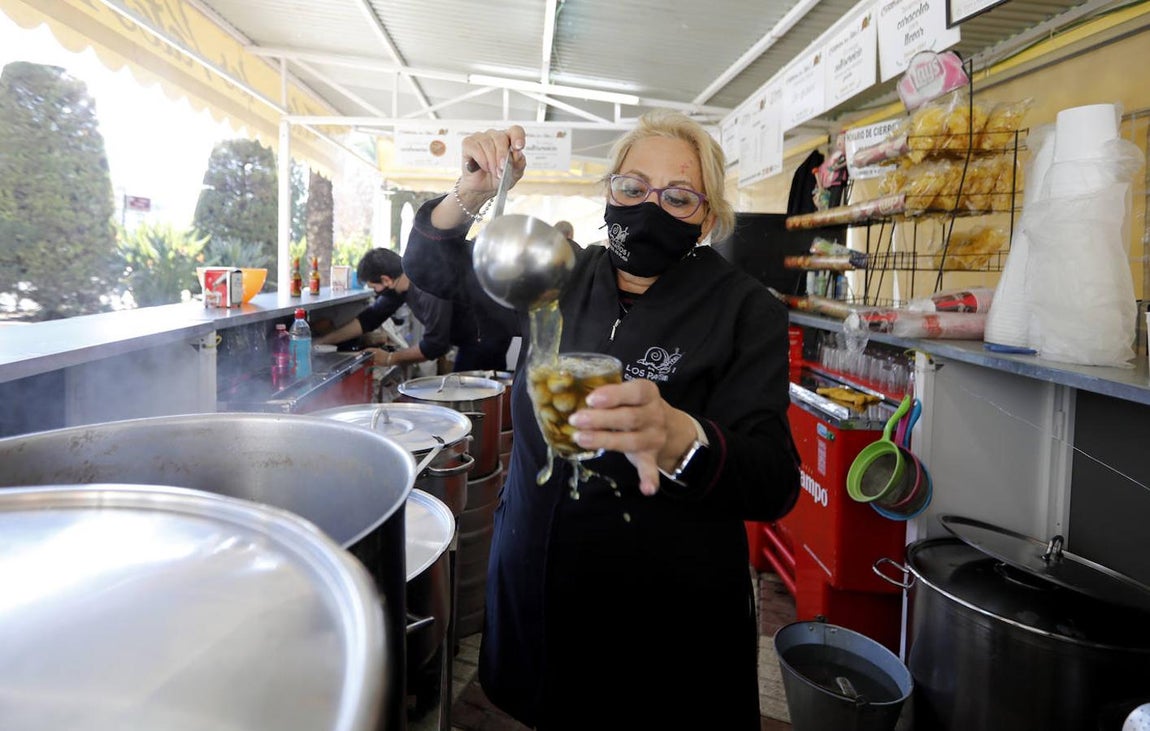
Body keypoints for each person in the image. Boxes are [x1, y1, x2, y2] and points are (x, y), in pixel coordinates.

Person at [402, 110, 801, 730]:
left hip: (664, 599)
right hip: (540, 564)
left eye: (677, 196)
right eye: (632, 187)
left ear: (708, 218)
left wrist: (680, 437)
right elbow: (436, 271)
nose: (648, 206)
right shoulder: (561, 273)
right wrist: (472, 192)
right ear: (608, 191)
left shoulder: (744, 309)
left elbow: (774, 479)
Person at [315, 247, 511, 372]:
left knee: (470, 396)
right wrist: (322, 342)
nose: (375, 292)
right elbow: (370, 318)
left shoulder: (428, 287)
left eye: (374, 287)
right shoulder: (398, 287)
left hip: (485, 338)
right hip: (473, 339)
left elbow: (435, 345)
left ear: (386, 280)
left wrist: (390, 358)